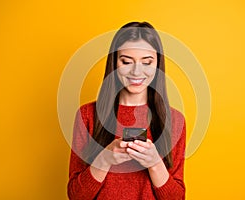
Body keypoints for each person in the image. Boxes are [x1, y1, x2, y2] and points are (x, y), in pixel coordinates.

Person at [67, 21, 186, 200]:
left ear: (158, 65)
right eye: (126, 61)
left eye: (147, 62)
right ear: (114, 63)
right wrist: (105, 158)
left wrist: (154, 164)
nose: (137, 71)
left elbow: (177, 198)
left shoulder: (175, 120)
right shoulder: (87, 115)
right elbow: (76, 196)